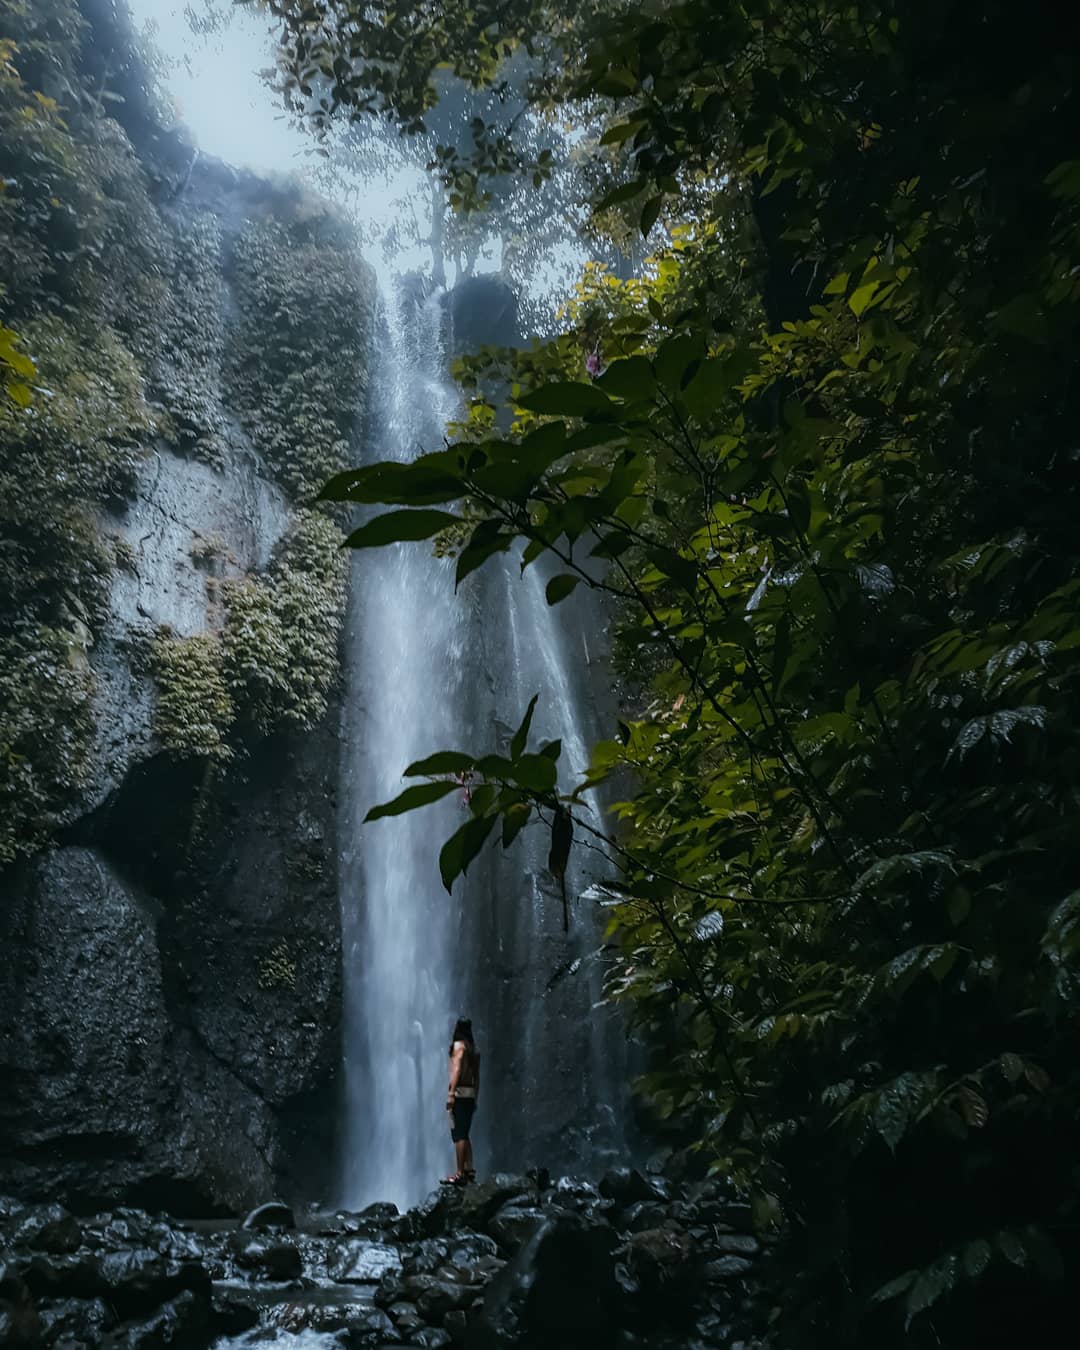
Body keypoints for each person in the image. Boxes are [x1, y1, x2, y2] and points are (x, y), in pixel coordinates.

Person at [441, 1016, 480, 1186]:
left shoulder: (459, 1047)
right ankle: (469, 1169)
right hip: (470, 1094)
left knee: (458, 1135)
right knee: (465, 1133)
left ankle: (459, 1173)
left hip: (459, 1093)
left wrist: (450, 1094)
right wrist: (476, 1097)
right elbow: (477, 1078)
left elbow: (456, 1071)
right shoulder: (474, 1051)